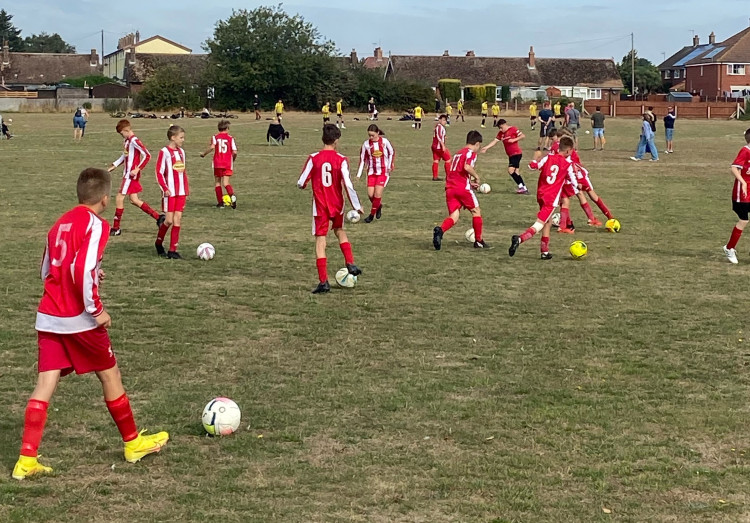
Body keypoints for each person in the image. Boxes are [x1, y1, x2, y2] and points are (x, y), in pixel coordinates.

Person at [11, 167, 169, 480]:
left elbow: (48, 270)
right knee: (110, 374)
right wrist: (96, 309)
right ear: (105, 199)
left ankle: (26, 460)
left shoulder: (60, 222)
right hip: (78, 318)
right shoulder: (96, 224)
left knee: (45, 384)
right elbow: (81, 268)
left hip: (49, 315)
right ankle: (133, 443)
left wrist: (90, 274)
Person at [297, 124, 363, 294]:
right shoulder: (341, 159)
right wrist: (356, 205)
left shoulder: (313, 158)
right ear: (336, 140)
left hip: (320, 206)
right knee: (340, 230)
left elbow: (301, 182)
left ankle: (323, 281)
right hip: (337, 204)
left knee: (320, 240)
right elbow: (347, 184)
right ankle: (350, 262)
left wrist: (306, 183)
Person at [509, 136, 576, 259]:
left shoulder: (548, 157)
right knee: (539, 224)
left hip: (541, 194)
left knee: (548, 221)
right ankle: (519, 239)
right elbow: (575, 183)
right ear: (567, 151)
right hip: (551, 198)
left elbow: (533, 166)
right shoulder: (568, 164)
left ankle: (544, 251)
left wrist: (535, 158)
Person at [106, 119, 164, 236]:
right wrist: (114, 165)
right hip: (127, 174)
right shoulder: (127, 141)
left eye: (122, 133)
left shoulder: (134, 141)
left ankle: (116, 228)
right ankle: (158, 217)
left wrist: (138, 169)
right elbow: (125, 155)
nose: (122, 135)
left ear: (126, 130)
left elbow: (147, 155)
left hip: (130, 175)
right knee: (134, 200)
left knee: (119, 198)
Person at [432, 130, 488, 250]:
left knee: (454, 215)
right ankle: (479, 241)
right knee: (476, 211)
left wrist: (469, 183)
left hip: (450, 188)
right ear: (477, 144)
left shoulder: (458, 154)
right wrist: (477, 177)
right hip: (461, 188)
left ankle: (440, 231)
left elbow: (456, 173)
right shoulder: (471, 153)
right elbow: (467, 167)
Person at [154, 126, 189, 259]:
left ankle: (173, 250)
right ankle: (158, 243)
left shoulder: (182, 153)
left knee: (177, 219)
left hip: (180, 192)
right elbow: (159, 172)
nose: (183, 140)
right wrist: (165, 188)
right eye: (181, 137)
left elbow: (183, 172)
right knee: (168, 221)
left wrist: (185, 189)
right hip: (170, 192)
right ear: (173, 137)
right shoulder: (164, 152)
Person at [356, 124, 395, 223]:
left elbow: (391, 152)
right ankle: (378, 206)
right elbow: (362, 160)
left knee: (377, 193)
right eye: (369, 135)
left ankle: (371, 215)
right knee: (370, 195)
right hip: (371, 172)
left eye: (373, 135)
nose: (371, 137)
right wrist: (358, 174)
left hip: (383, 172)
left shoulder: (385, 142)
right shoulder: (366, 144)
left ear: (378, 133)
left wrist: (390, 165)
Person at [722, 128, 750, 264]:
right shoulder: (745, 151)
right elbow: (734, 168)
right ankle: (729, 248)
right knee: (744, 220)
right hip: (742, 193)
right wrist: (743, 182)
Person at [481, 118, 529, 194]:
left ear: (504, 124)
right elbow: (495, 141)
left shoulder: (513, 129)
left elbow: (523, 136)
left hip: (516, 153)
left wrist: (514, 140)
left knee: (510, 170)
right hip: (511, 155)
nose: (500, 129)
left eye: (501, 127)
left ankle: (523, 187)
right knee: (516, 172)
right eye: (499, 128)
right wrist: (486, 147)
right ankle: (523, 188)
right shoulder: (501, 133)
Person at [201, 120, 238, 209]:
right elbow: (235, 152)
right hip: (227, 163)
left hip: (217, 163)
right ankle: (232, 196)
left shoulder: (215, 137)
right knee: (226, 182)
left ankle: (220, 203)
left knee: (218, 182)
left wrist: (204, 154)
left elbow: (212, 147)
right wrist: (233, 159)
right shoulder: (230, 138)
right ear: (227, 128)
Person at [431, 114, 450, 181]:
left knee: (436, 160)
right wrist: (443, 145)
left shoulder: (438, 126)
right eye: (443, 120)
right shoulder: (439, 127)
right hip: (439, 147)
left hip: (434, 146)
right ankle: (448, 177)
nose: (445, 122)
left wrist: (444, 137)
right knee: (448, 159)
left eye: (445, 120)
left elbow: (438, 135)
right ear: (439, 120)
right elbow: (439, 136)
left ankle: (435, 176)